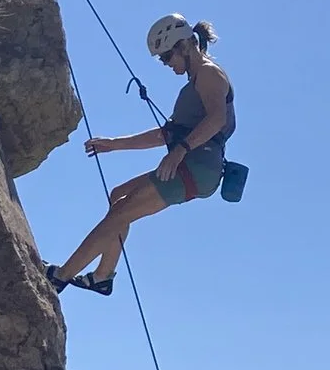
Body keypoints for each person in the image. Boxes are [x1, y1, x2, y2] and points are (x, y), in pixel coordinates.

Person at [47, 15, 235, 296]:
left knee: (122, 212)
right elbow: (164, 135)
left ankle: (60, 277)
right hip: (191, 164)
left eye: (167, 56)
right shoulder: (194, 82)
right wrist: (113, 144)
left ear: (184, 45)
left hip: (197, 166)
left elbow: (217, 119)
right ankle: (102, 276)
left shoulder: (209, 73)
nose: (166, 63)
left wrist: (179, 152)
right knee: (119, 196)